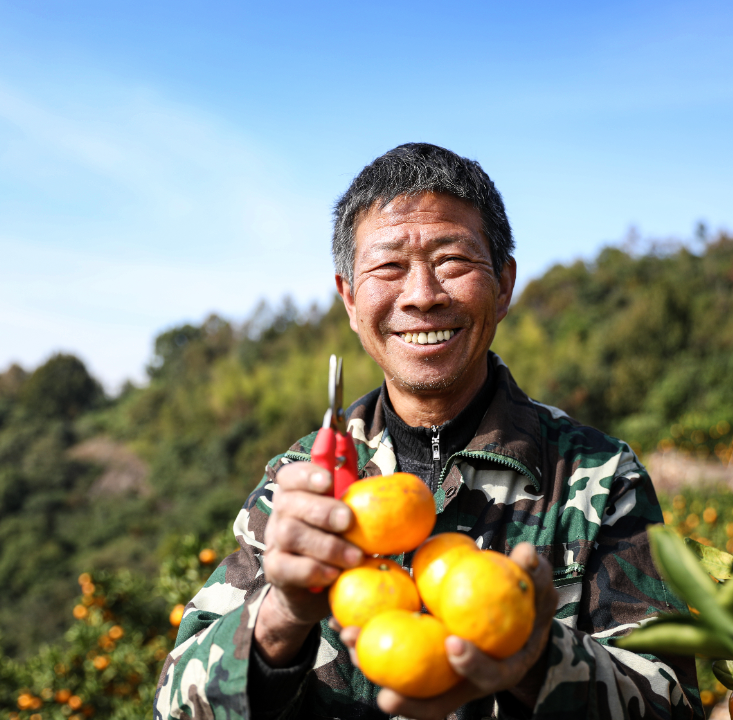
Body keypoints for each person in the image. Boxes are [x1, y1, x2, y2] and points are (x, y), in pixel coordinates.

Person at [154, 143, 702, 720]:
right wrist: (281, 617)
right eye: (389, 267)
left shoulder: (598, 475)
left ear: (504, 285)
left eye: (453, 261)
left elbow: (672, 701)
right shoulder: (299, 485)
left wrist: (540, 660)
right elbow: (174, 706)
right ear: (349, 298)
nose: (422, 295)